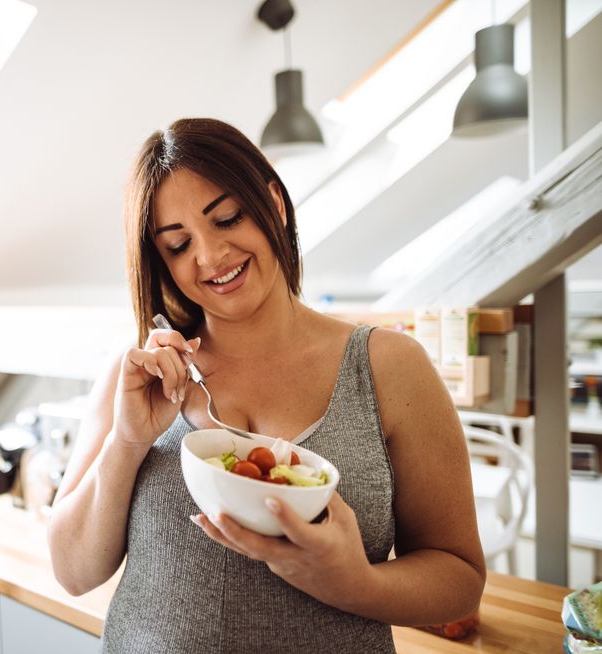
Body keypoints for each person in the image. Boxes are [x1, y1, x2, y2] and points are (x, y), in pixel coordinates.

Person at [46, 118, 486, 653]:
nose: (209, 257)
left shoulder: (389, 366)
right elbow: (72, 572)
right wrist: (128, 442)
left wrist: (356, 585)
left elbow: (460, 580)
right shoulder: (138, 375)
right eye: (179, 245)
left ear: (273, 203)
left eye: (227, 218)